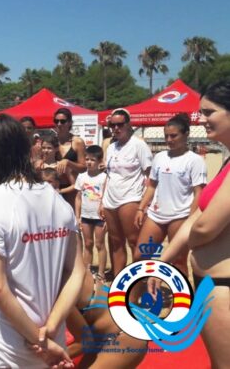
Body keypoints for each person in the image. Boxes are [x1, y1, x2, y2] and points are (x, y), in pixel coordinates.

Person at [0, 114, 85, 368]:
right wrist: (50, 329)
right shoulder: (57, 200)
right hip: (50, 338)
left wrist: (39, 339)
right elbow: (77, 271)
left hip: (2, 342)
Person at [158, 81, 230, 367]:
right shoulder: (227, 161)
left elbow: (205, 227)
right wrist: (162, 262)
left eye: (209, 112)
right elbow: (198, 216)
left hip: (224, 288)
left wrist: (193, 244)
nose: (202, 119)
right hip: (211, 284)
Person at [134, 113, 206, 276]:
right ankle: (139, 289)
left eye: (173, 136)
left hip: (180, 215)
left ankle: (181, 292)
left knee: (178, 261)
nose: (169, 140)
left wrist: (190, 219)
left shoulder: (195, 160)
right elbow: (152, 185)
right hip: (156, 214)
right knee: (140, 255)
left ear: (186, 134)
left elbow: (199, 192)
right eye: (166, 136)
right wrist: (141, 208)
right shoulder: (159, 157)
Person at [100, 108, 152, 277]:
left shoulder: (138, 145)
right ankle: (119, 280)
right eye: (112, 125)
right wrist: (102, 200)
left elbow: (150, 175)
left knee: (134, 242)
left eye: (120, 124)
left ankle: (139, 280)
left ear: (128, 125)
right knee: (116, 242)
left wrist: (145, 204)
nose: (116, 128)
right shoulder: (111, 147)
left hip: (130, 197)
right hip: (110, 199)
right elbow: (109, 175)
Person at [62, 271, 147, 368]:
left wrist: (50, 357)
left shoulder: (60, 289)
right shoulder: (70, 267)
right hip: (104, 336)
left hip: (124, 336)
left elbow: (84, 343)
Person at [74, 145, 108, 280]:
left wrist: (107, 217)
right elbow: (78, 198)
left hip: (100, 217)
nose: (89, 162)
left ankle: (101, 272)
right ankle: (87, 272)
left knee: (100, 244)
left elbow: (106, 197)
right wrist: (78, 216)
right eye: (87, 159)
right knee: (88, 244)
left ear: (100, 161)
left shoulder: (104, 177)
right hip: (85, 216)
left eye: (93, 160)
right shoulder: (81, 177)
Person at [53, 108, 87, 206]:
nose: (59, 124)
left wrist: (68, 162)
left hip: (72, 187)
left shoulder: (77, 142)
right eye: (56, 121)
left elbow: (84, 168)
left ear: (70, 123)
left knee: (71, 213)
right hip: (54, 186)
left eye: (62, 121)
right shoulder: (52, 141)